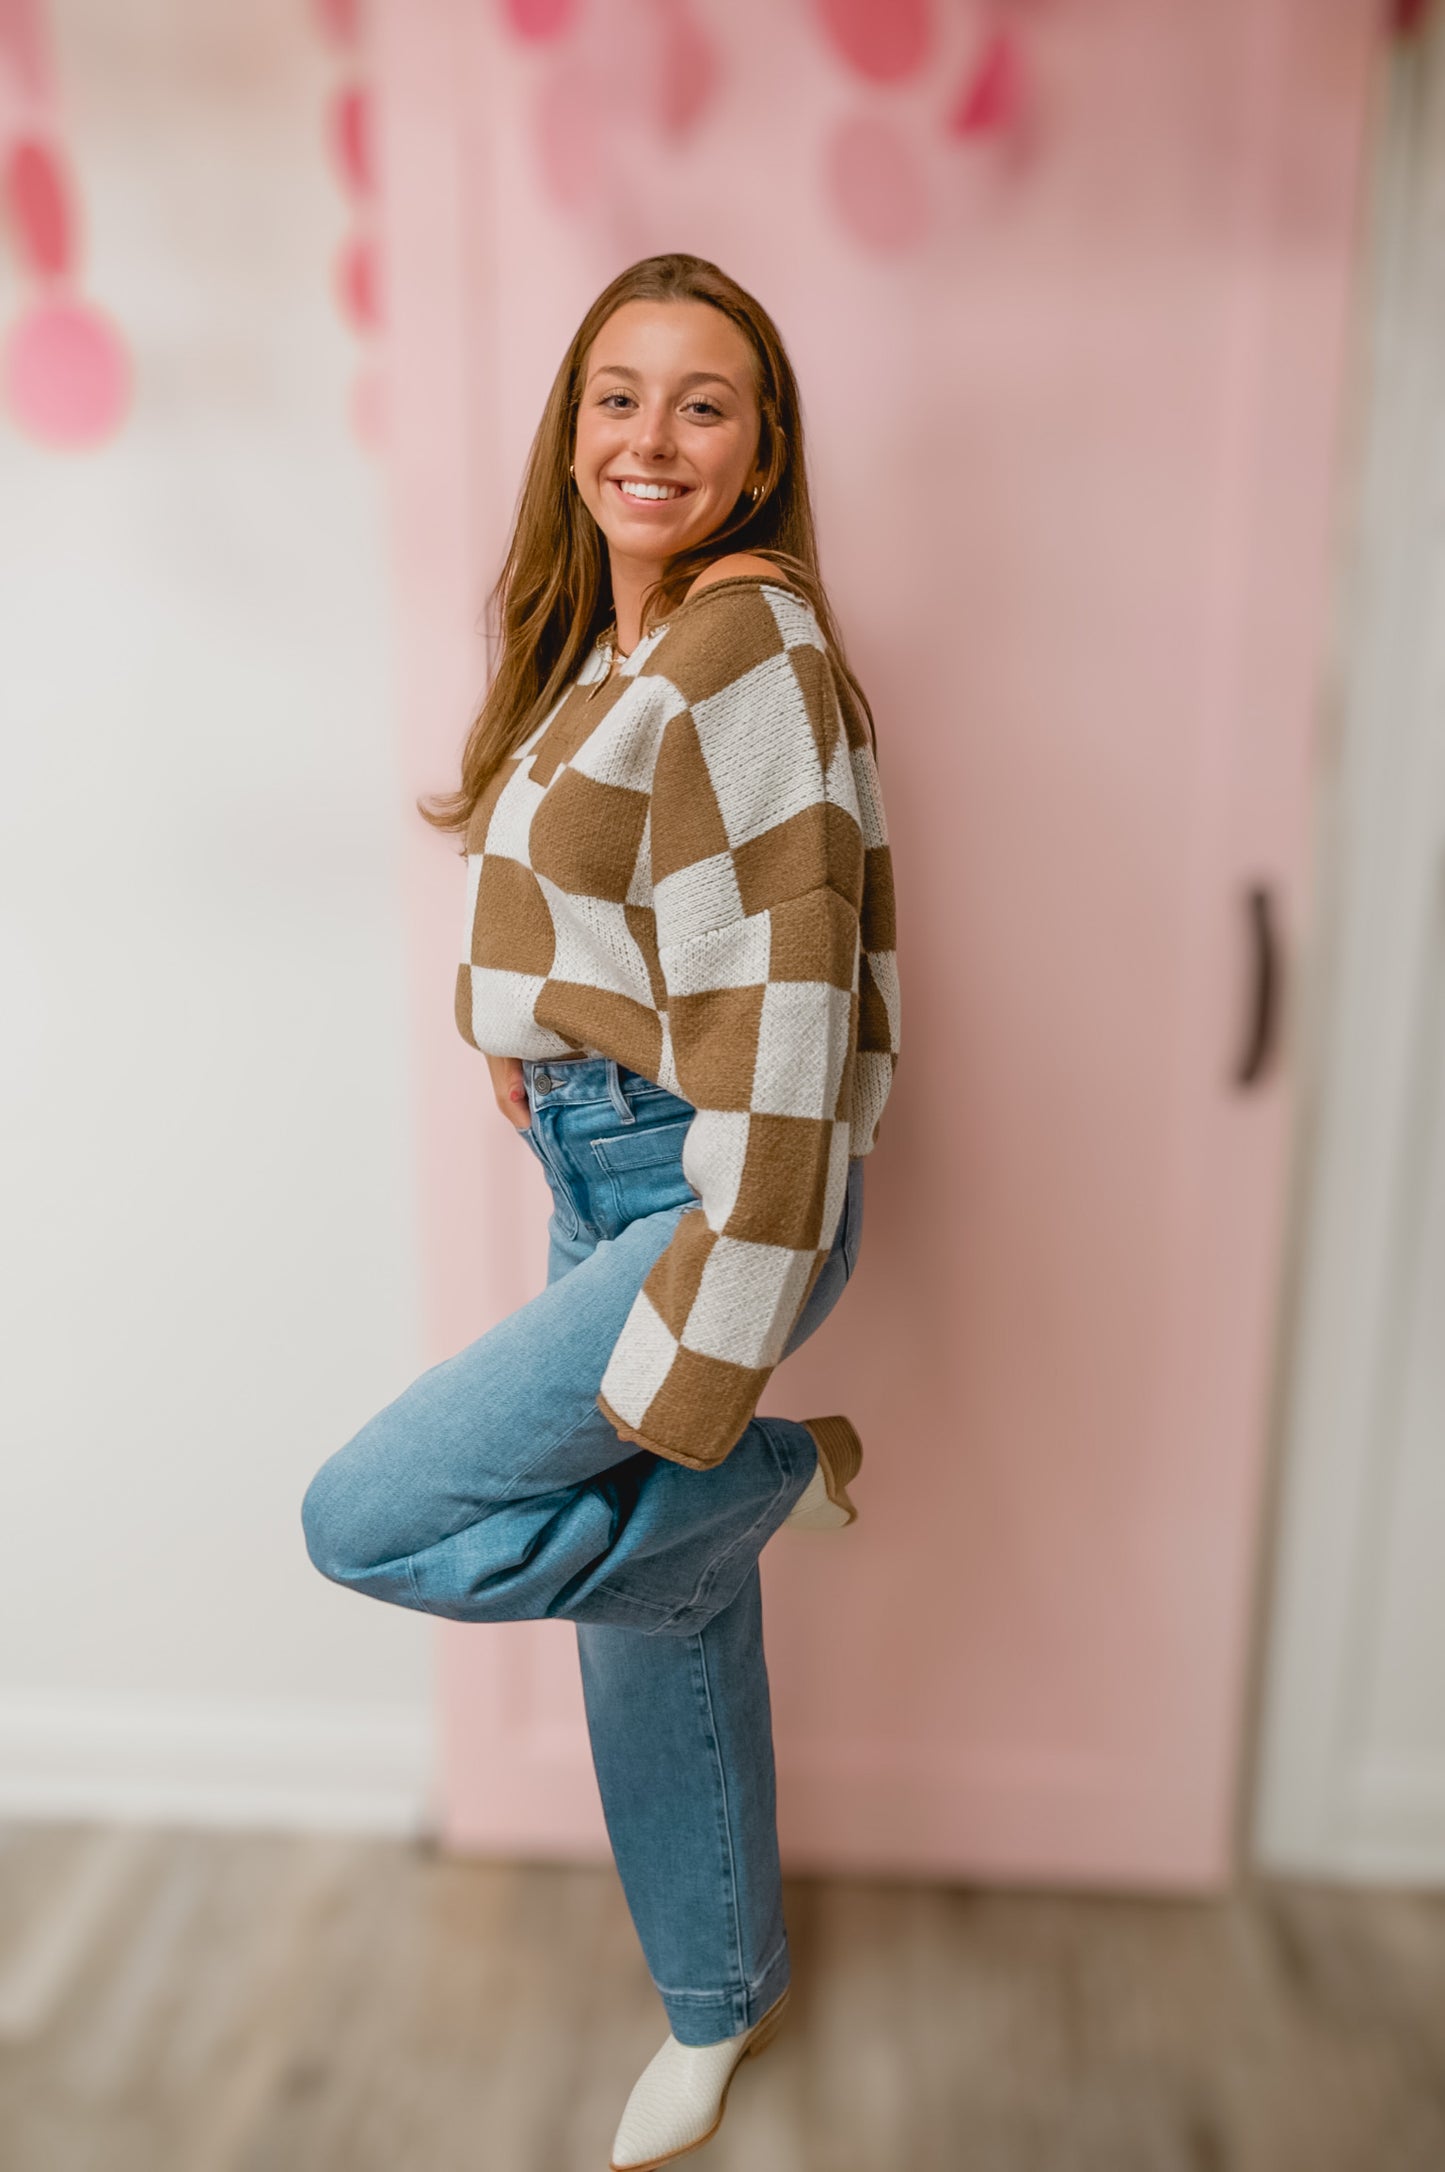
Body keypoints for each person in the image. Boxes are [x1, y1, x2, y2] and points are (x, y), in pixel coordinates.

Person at [301, 251, 901, 2169]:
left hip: (713, 1190)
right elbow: (611, 917)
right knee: (659, 1624)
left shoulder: (746, 648)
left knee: (371, 1518)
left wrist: (725, 1343)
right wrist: (526, 1038)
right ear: (575, 438)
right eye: (618, 396)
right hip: (609, 1166)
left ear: (761, 444)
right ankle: (715, 2001)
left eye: (702, 400)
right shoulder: (617, 648)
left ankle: (767, 1477)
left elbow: (791, 1015)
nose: (654, 435)